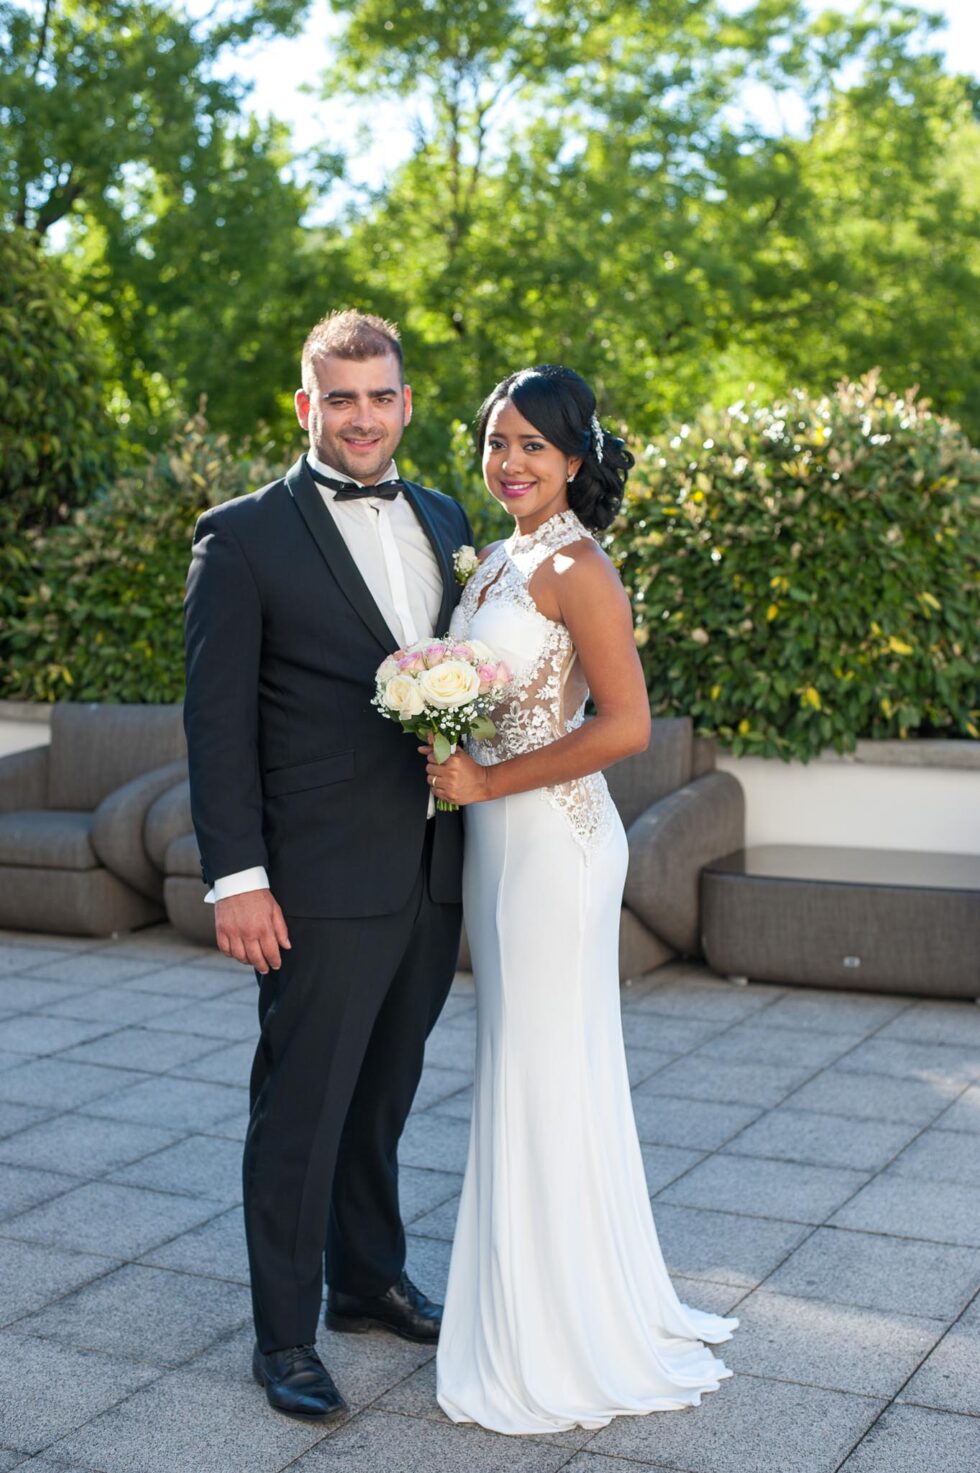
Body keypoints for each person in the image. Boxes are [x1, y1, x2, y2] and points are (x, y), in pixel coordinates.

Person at [427, 364, 738, 1434]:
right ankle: (540, 1298)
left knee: (540, 1067)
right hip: (494, 837)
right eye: (495, 442)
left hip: (552, 844)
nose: (508, 462)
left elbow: (623, 728)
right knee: (520, 1061)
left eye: (531, 448)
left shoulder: (576, 566)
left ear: (571, 460)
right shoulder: (497, 556)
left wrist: (482, 779)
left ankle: (557, 1331)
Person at [183, 311, 472, 1422]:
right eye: (339, 398)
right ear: (305, 407)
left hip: (431, 869)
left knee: (385, 1094)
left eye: (380, 396)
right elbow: (217, 728)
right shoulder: (243, 536)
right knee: (301, 1106)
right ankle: (283, 1336)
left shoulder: (444, 515)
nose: (362, 417)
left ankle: (365, 1280)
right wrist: (236, 878)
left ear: (405, 403)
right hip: (310, 880)